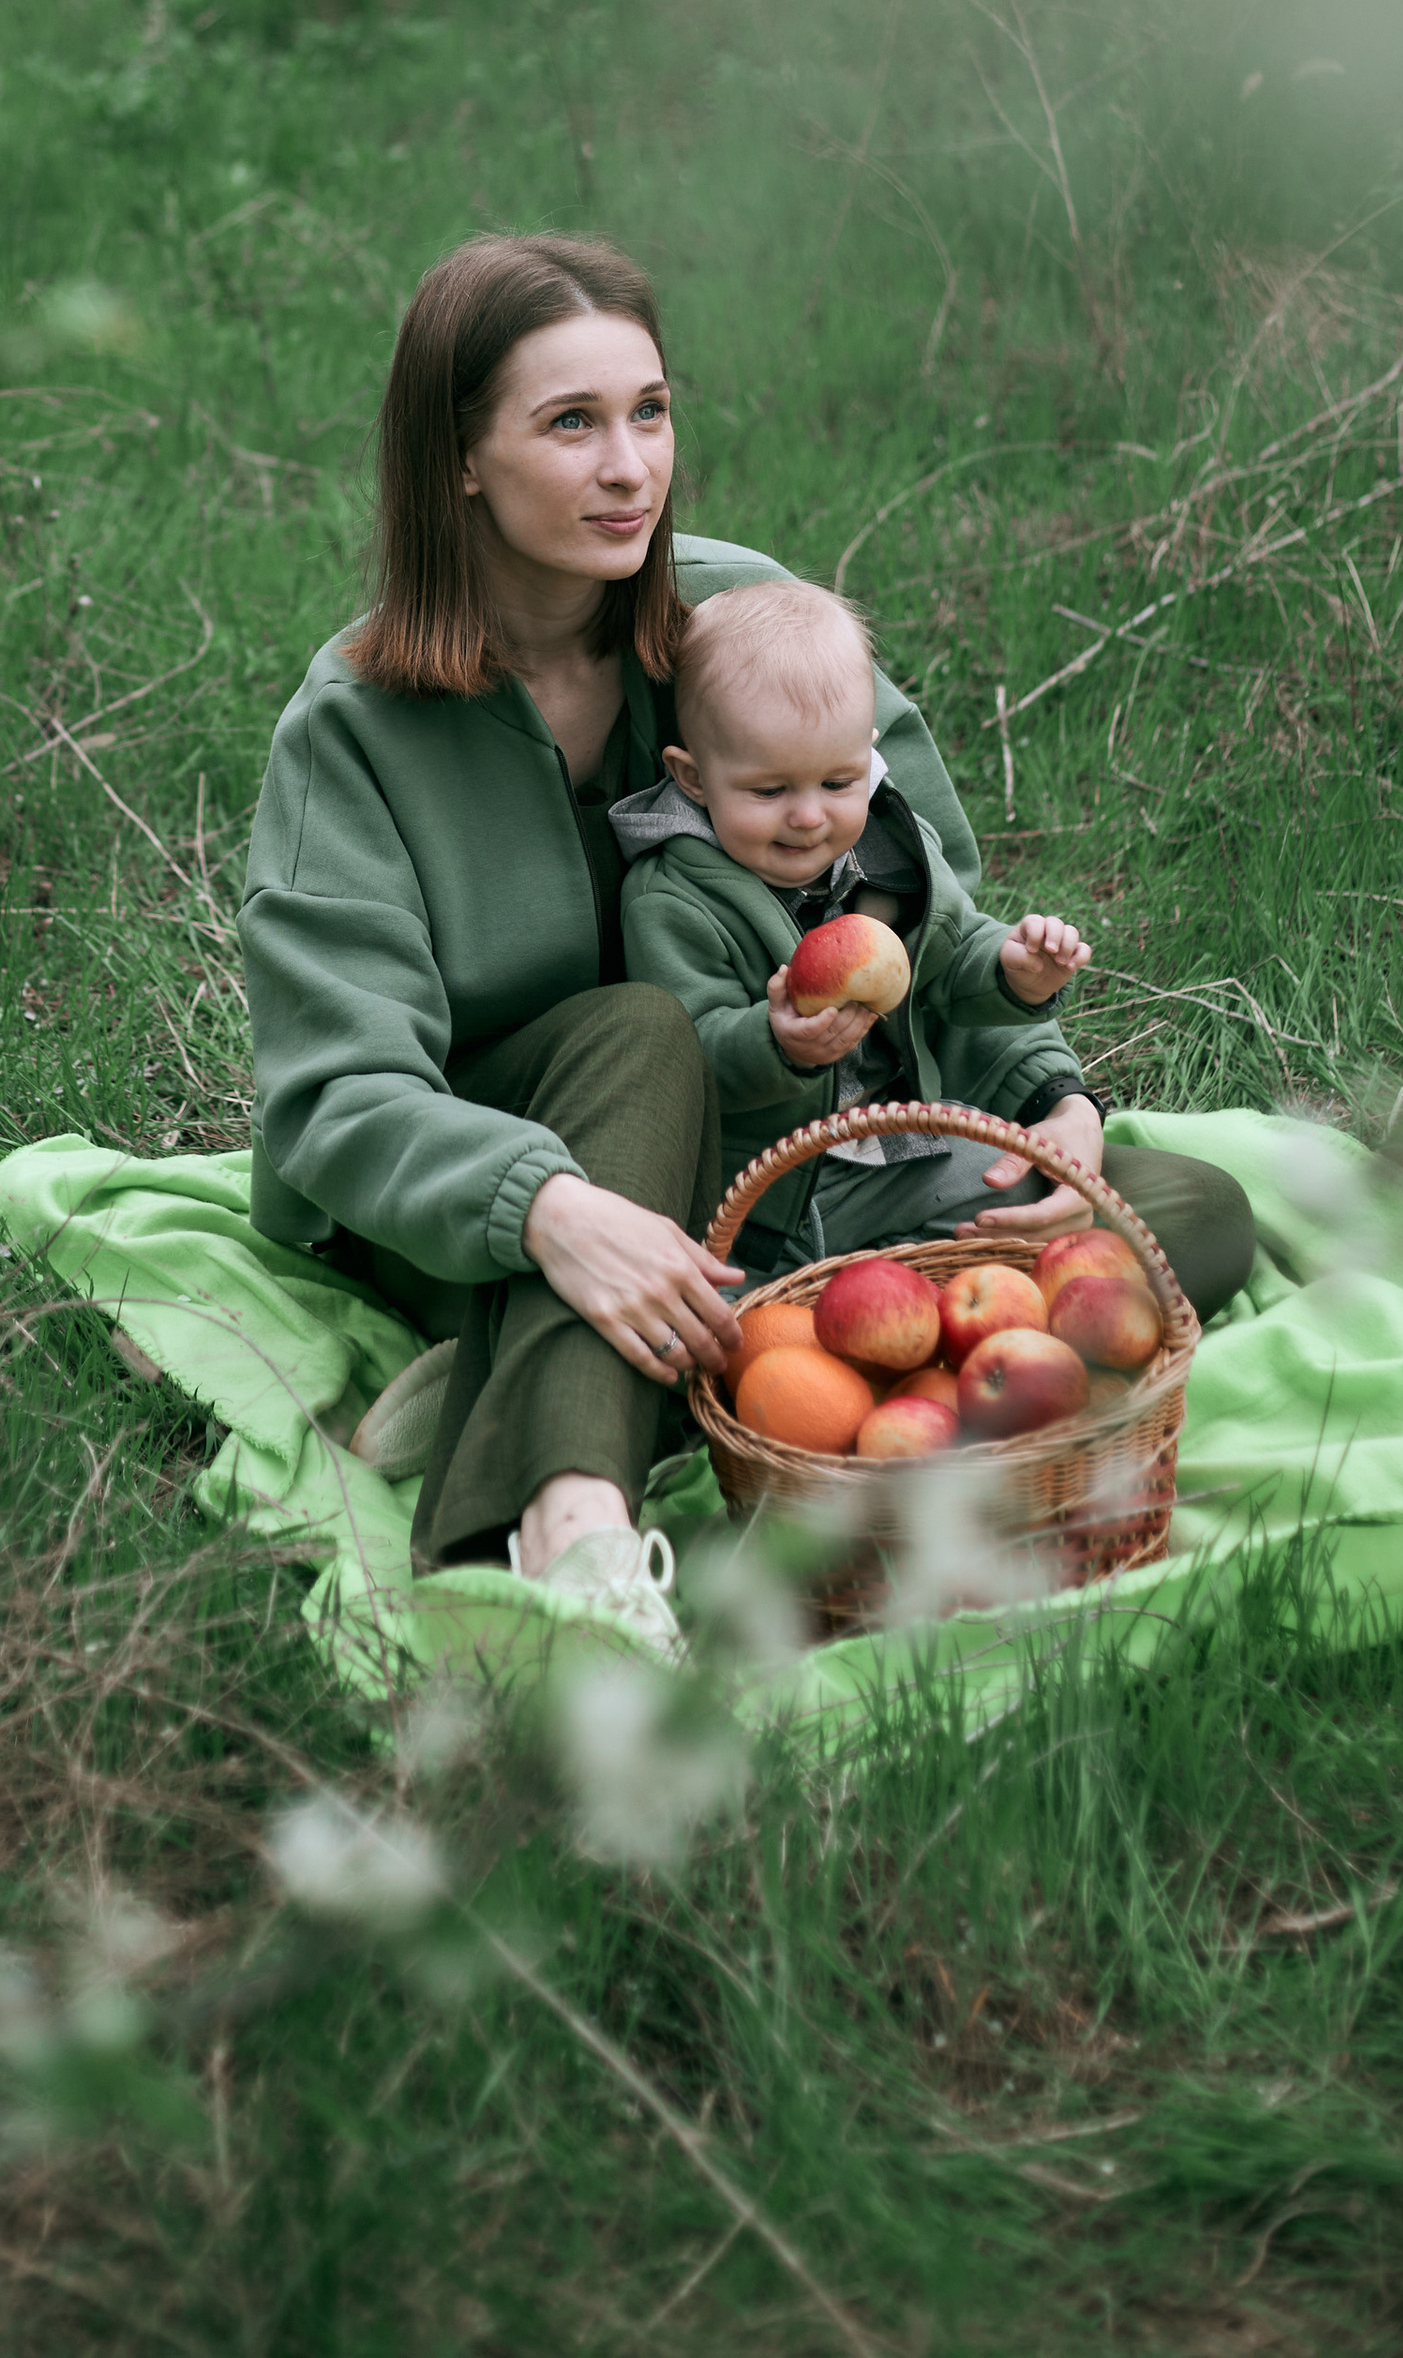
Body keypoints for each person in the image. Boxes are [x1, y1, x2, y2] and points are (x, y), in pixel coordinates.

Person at [240, 229, 1005, 1663]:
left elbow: (924, 887)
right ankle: (571, 1524)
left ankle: (512, 1380)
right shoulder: (354, 725)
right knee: (640, 1031)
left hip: (760, 1143)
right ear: (459, 458)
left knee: (1167, 1216)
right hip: (465, 1183)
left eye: (649, 411)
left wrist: (1048, 1094)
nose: (629, 468)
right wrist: (544, 1206)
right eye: (571, 423)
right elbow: (335, 1098)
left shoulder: (745, 626)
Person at [614, 576, 1255, 1311]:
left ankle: (912, 1306)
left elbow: (952, 960)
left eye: (837, 780)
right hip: (769, 1204)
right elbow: (685, 1055)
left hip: (902, 1155)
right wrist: (776, 1042)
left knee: (1065, 1205)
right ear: (692, 778)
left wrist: (1015, 972)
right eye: (768, 792)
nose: (809, 818)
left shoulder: (893, 847)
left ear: (871, 755)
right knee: (717, 1326)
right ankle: (858, 1312)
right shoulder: (672, 897)